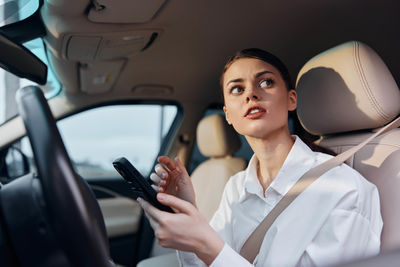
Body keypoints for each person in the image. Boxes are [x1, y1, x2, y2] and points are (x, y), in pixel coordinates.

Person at [137, 48, 383, 266]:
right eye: (236, 89)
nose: (250, 94)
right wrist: (187, 215)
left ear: (291, 99)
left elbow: (215, 254)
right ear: (228, 115)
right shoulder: (236, 187)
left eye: (265, 83)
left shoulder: (344, 188)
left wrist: (206, 244)